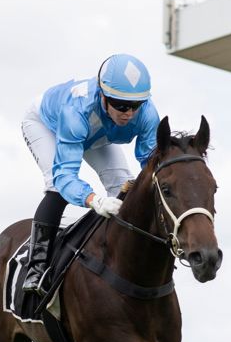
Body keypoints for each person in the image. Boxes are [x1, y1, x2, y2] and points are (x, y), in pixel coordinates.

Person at [20, 53, 160, 293]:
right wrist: (94, 200)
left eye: (135, 106)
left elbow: (150, 164)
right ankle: (36, 268)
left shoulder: (147, 114)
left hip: (96, 132)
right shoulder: (75, 112)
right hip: (47, 125)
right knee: (56, 187)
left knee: (123, 185)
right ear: (103, 96)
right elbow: (65, 177)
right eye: (121, 105)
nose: (128, 113)